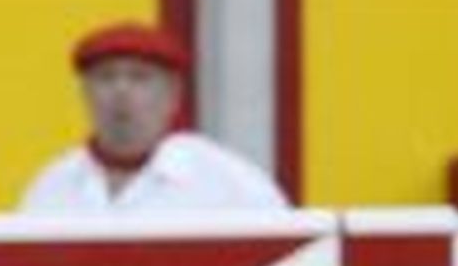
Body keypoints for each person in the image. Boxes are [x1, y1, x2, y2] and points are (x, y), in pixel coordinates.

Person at [19, 22, 289, 214]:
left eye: (140, 77)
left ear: (173, 93)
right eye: (106, 77)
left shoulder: (229, 182)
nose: (121, 92)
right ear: (85, 92)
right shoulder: (52, 185)